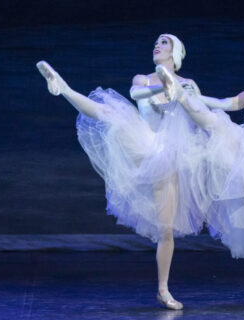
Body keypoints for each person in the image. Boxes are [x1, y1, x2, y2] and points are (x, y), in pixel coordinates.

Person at [36, 34, 207, 310]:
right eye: (155, 42)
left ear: (175, 52)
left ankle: (163, 290)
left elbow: (199, 112)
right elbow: (135, 94)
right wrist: (162, 86)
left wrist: (181, 93)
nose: (157, 45)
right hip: (143, 141)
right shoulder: (143, 79)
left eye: (164, 43)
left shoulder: (188, 84)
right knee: (111, 111)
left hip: (171, 154)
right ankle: (63, 88)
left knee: (166, 230)